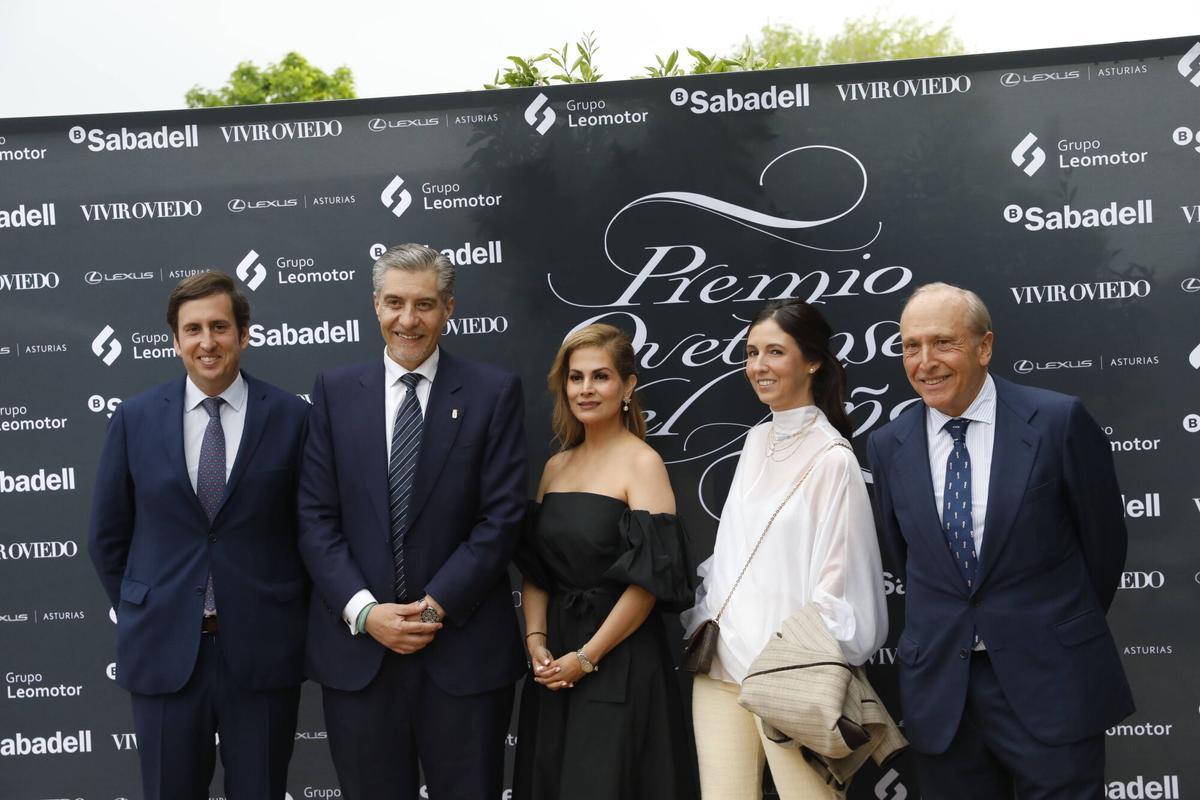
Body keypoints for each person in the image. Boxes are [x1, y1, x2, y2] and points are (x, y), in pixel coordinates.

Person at [866, 282, 1133, 800]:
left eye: (943, 342)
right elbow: (909, 557)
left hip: (1050, 679)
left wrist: (1046, 627)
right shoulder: (887, 444)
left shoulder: (1057, 422)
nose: (925, 361)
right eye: (910, 346)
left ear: (984, 347)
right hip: (944, 694)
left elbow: (1103, 548)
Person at [297, 243, 528, 800]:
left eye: (424, 304)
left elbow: (502, 517)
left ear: (448, 309)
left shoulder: (492, 392)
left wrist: (430, 608)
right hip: (361, 659)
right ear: (375, 305)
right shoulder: (333, 393)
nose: (408, 320)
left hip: (463, 654)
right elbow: (315, 517)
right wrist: (366, 613)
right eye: (395, 303)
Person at [88, 271, 310, 800]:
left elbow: (310, 531)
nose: (206, 342)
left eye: (219, 327)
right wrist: (149, 603)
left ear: (244, 333)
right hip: (164, 651)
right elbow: (107, 535)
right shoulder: (135, 419)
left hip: (260, 652)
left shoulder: (292, 418)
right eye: (193, 330)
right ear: (175, 340)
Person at [681, 298, 887, 800]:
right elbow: (731, 556)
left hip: (791, 681)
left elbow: (845, 592)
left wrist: (780, 658)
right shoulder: (756, 442)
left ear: (812, 360)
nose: (758, 366)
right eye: (751, 353)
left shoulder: (834, 459)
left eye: (775, 351)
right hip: (720, 675)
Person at [512, 322, 697, 799]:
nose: (586, 389)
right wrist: (536, 641)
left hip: (621, 660)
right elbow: (537, 570)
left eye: (601, 376)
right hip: (555, 664)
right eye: (576, 378)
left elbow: (650, 580)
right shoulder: (555, 467)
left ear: (628, 385)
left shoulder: (643, 463)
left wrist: (588, 657)